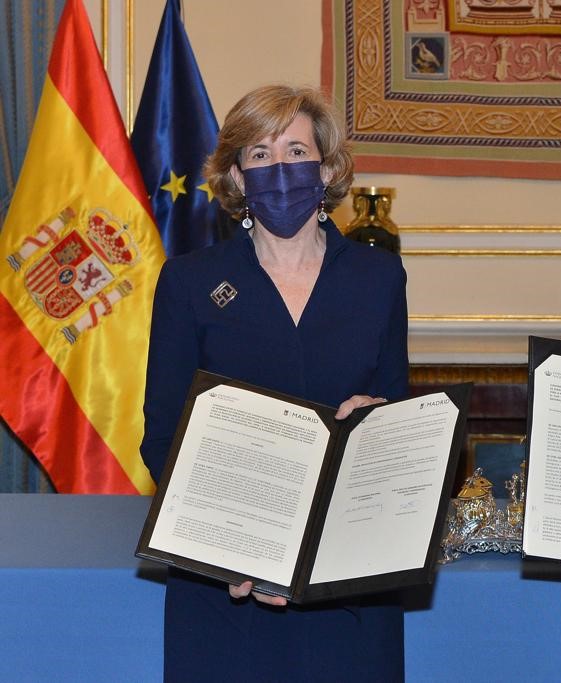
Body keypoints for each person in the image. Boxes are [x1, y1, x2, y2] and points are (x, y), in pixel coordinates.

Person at [140, 84, 408, 682]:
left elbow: (398, 414)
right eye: (260, 154)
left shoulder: (380, 277)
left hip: (348, 582)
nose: (279, 167)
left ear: (328, 169)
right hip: (225, 587)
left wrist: (380, 422)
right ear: (237, 177)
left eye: (296, 151)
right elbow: (163, 438)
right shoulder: (189, 282)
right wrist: (232, 546)